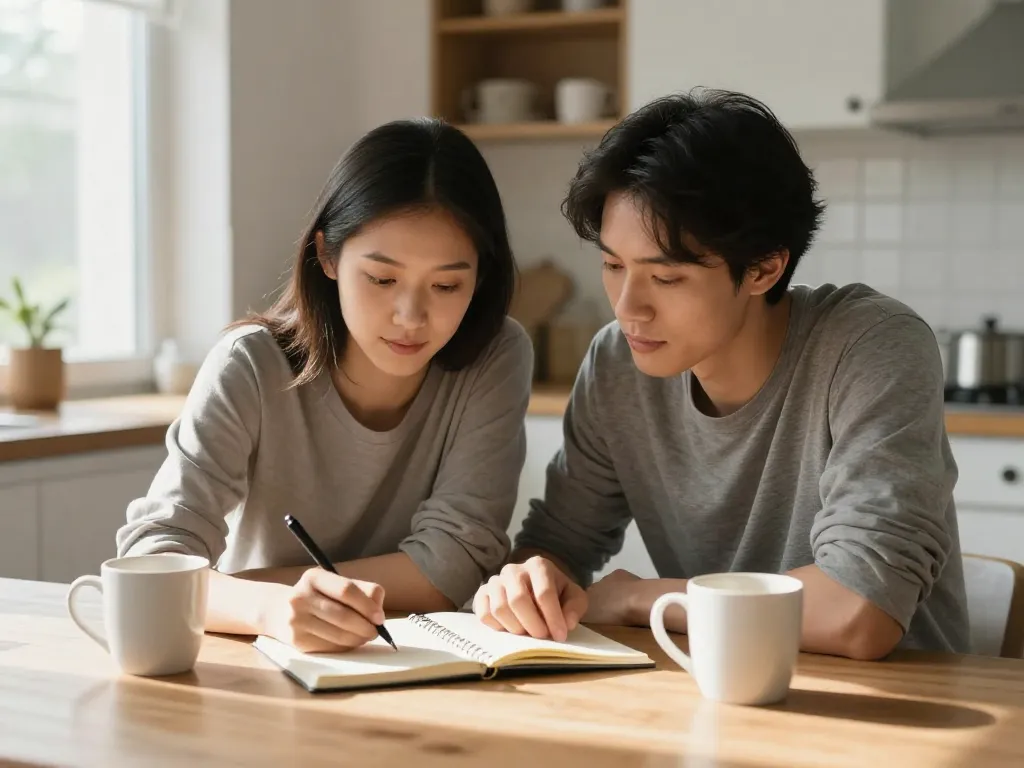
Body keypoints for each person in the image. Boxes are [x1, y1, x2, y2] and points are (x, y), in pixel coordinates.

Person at [472, 90, 969, 660]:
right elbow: (560, 543)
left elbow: (858, 613)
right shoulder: (618, 363)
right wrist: (529, 582)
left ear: (764, 267)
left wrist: (641, 600)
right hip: (714, 694)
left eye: (666, 278)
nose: (628, 307)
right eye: (613, 265)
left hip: (898, 713)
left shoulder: (870, 345)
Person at [118, 118, 533, 653]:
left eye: (447, 284)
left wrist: (227, 591)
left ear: (481, 277)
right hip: (262, 657)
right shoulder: (249, 365)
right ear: (328, 256)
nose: (411, 316)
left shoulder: (495, 355)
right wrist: (271, 609)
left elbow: (453, 565)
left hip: (427, 663)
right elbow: (153, 560)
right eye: (382, 279)